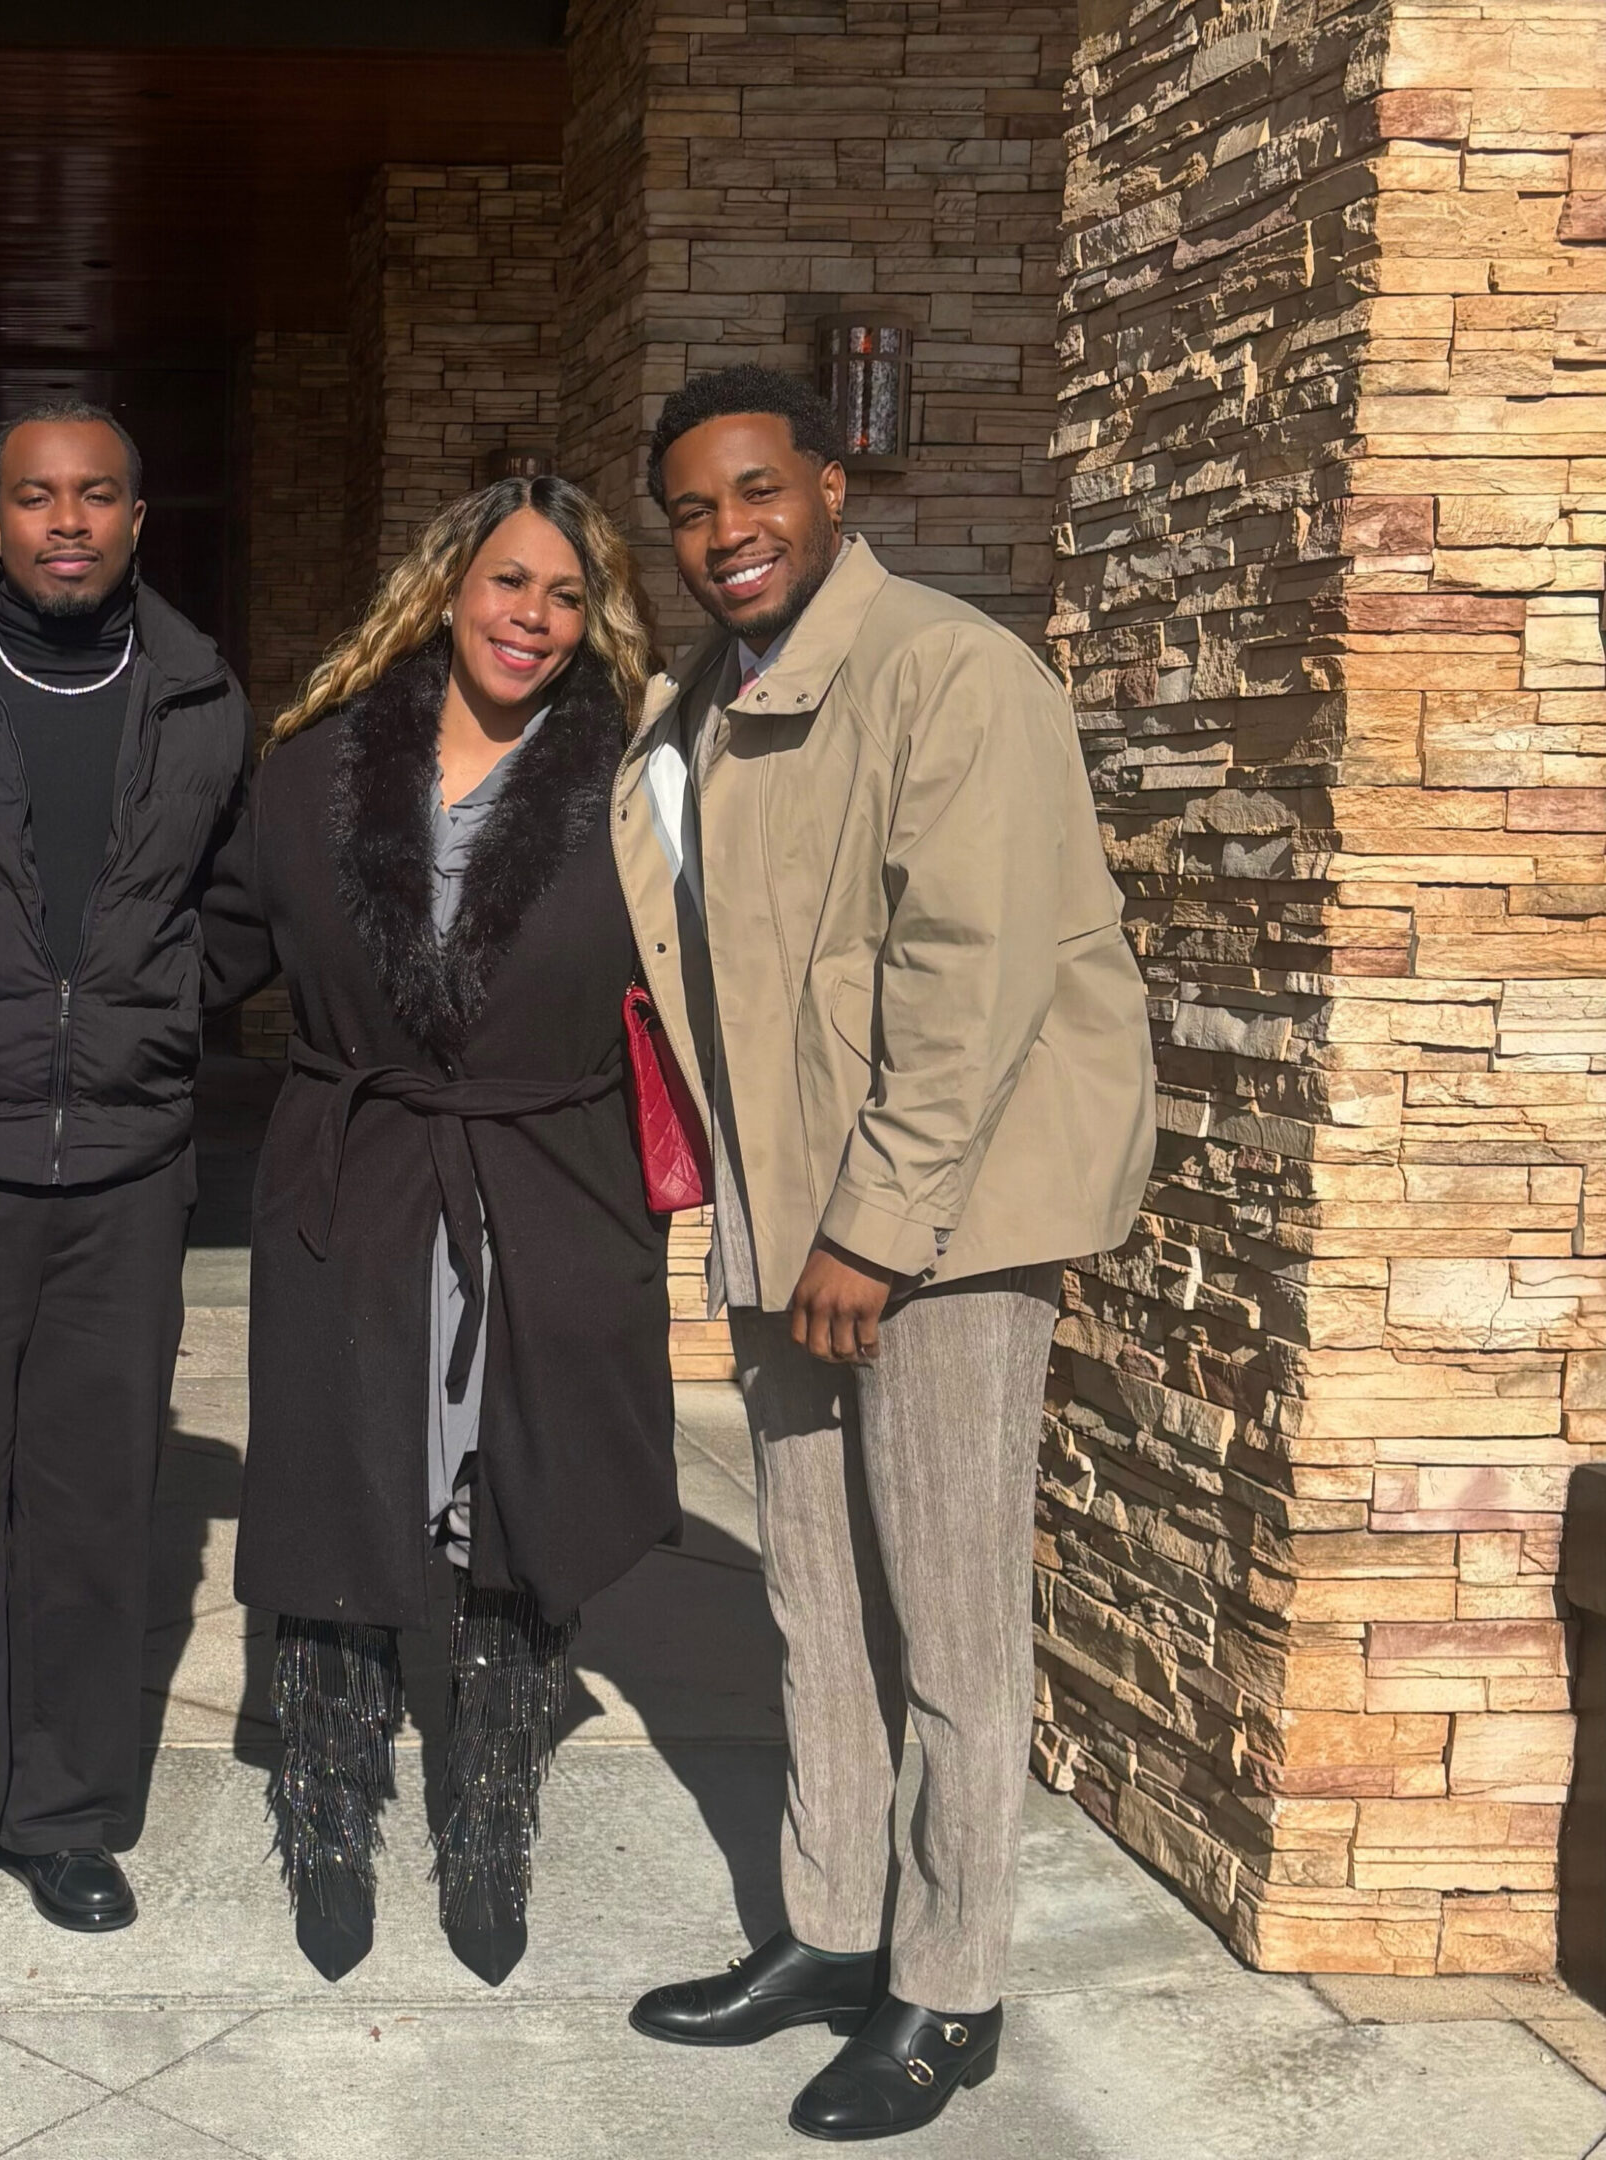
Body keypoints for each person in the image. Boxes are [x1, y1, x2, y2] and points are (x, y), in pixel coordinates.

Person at [617, 365, 1154, 2140]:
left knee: (948, 1616)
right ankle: (835, 1931)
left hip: (935, 1227)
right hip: (796, 1216)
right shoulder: (707, 694)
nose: (725, 534)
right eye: (693, 511)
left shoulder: (946, 672)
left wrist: (877, 1225)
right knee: (813, 1602)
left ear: (835, 485)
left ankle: (950, 1985)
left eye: (757, 492)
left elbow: (966, 977)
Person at [202, 475, 681, 1988]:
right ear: (446, 587)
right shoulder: (319, 772)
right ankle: (329, 1811)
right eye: (508, 583)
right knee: (342, 1484)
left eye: (564, 595)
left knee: (514, 1498)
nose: (530, 617)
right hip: (358, 1167)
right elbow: (207, 942)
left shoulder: (640, 787)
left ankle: (489, 1812)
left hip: (556, 1174)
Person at [0, 403, 251, 1954]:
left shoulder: (204, 698)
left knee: (99, 1507)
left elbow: (234, 907)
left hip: (130, 1171)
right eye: (34, 499)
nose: (65, 522)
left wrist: (152, 1020)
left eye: (96, 496)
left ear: (139, 519)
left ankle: (70, 1817)